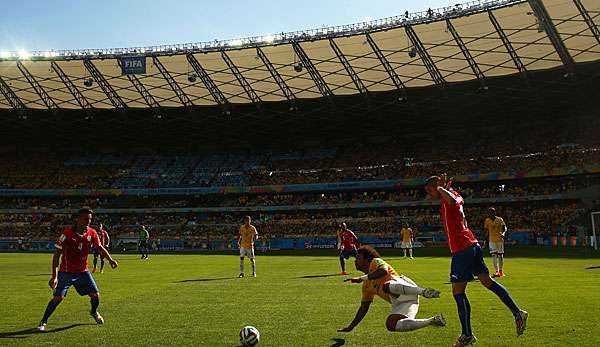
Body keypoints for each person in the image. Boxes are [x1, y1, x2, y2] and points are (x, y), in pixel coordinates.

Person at [425, 175, 527, 347]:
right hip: (470, 247)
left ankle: (467, 334)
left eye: (430, 190)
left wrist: (442, 189)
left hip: (463, 249)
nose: (429, 194)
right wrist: (442, 190)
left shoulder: (451, 195)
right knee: (487, 282)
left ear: (437, 186)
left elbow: (452, 202)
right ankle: (517, 313)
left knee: (458, 292)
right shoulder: (447, 197)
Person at [37, 208, 118, 331]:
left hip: (83, 272)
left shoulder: (92, 233)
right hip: (66, 272)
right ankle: (43, 322)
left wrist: (111, 260)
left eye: (90, 219)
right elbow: (56, 255)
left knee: (95, 295)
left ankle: (94, 312)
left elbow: (100, 248)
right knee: (58, 298)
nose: (88, 221)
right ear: (78, 219)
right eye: (86, 219)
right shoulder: (67, 234)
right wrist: (55, 276)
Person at [338, 245, 445, 333]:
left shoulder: (375, 262)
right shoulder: (366, 286)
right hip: (404, 302)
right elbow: (363, 308)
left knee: (386, 286)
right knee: (391, 324)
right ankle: (432, 321)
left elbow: (384, 271)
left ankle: (424, 291)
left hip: (408, 288)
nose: (355, 261)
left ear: (366, 259)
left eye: (358, 258)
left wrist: (361, 278)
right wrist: (350, 327)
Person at [484, 207, 507, 277]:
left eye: (492, 212)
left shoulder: (500, 219)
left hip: (499, 239)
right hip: (491, 240)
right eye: (489, 212)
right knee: (494, 255)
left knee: (500, 255)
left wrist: (503, 234)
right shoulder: (487, 220)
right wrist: (485, 240)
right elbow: (486, 231)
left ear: (494, 213)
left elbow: (505, 228)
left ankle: (501, 271)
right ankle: (496, 271)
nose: (491, 214)